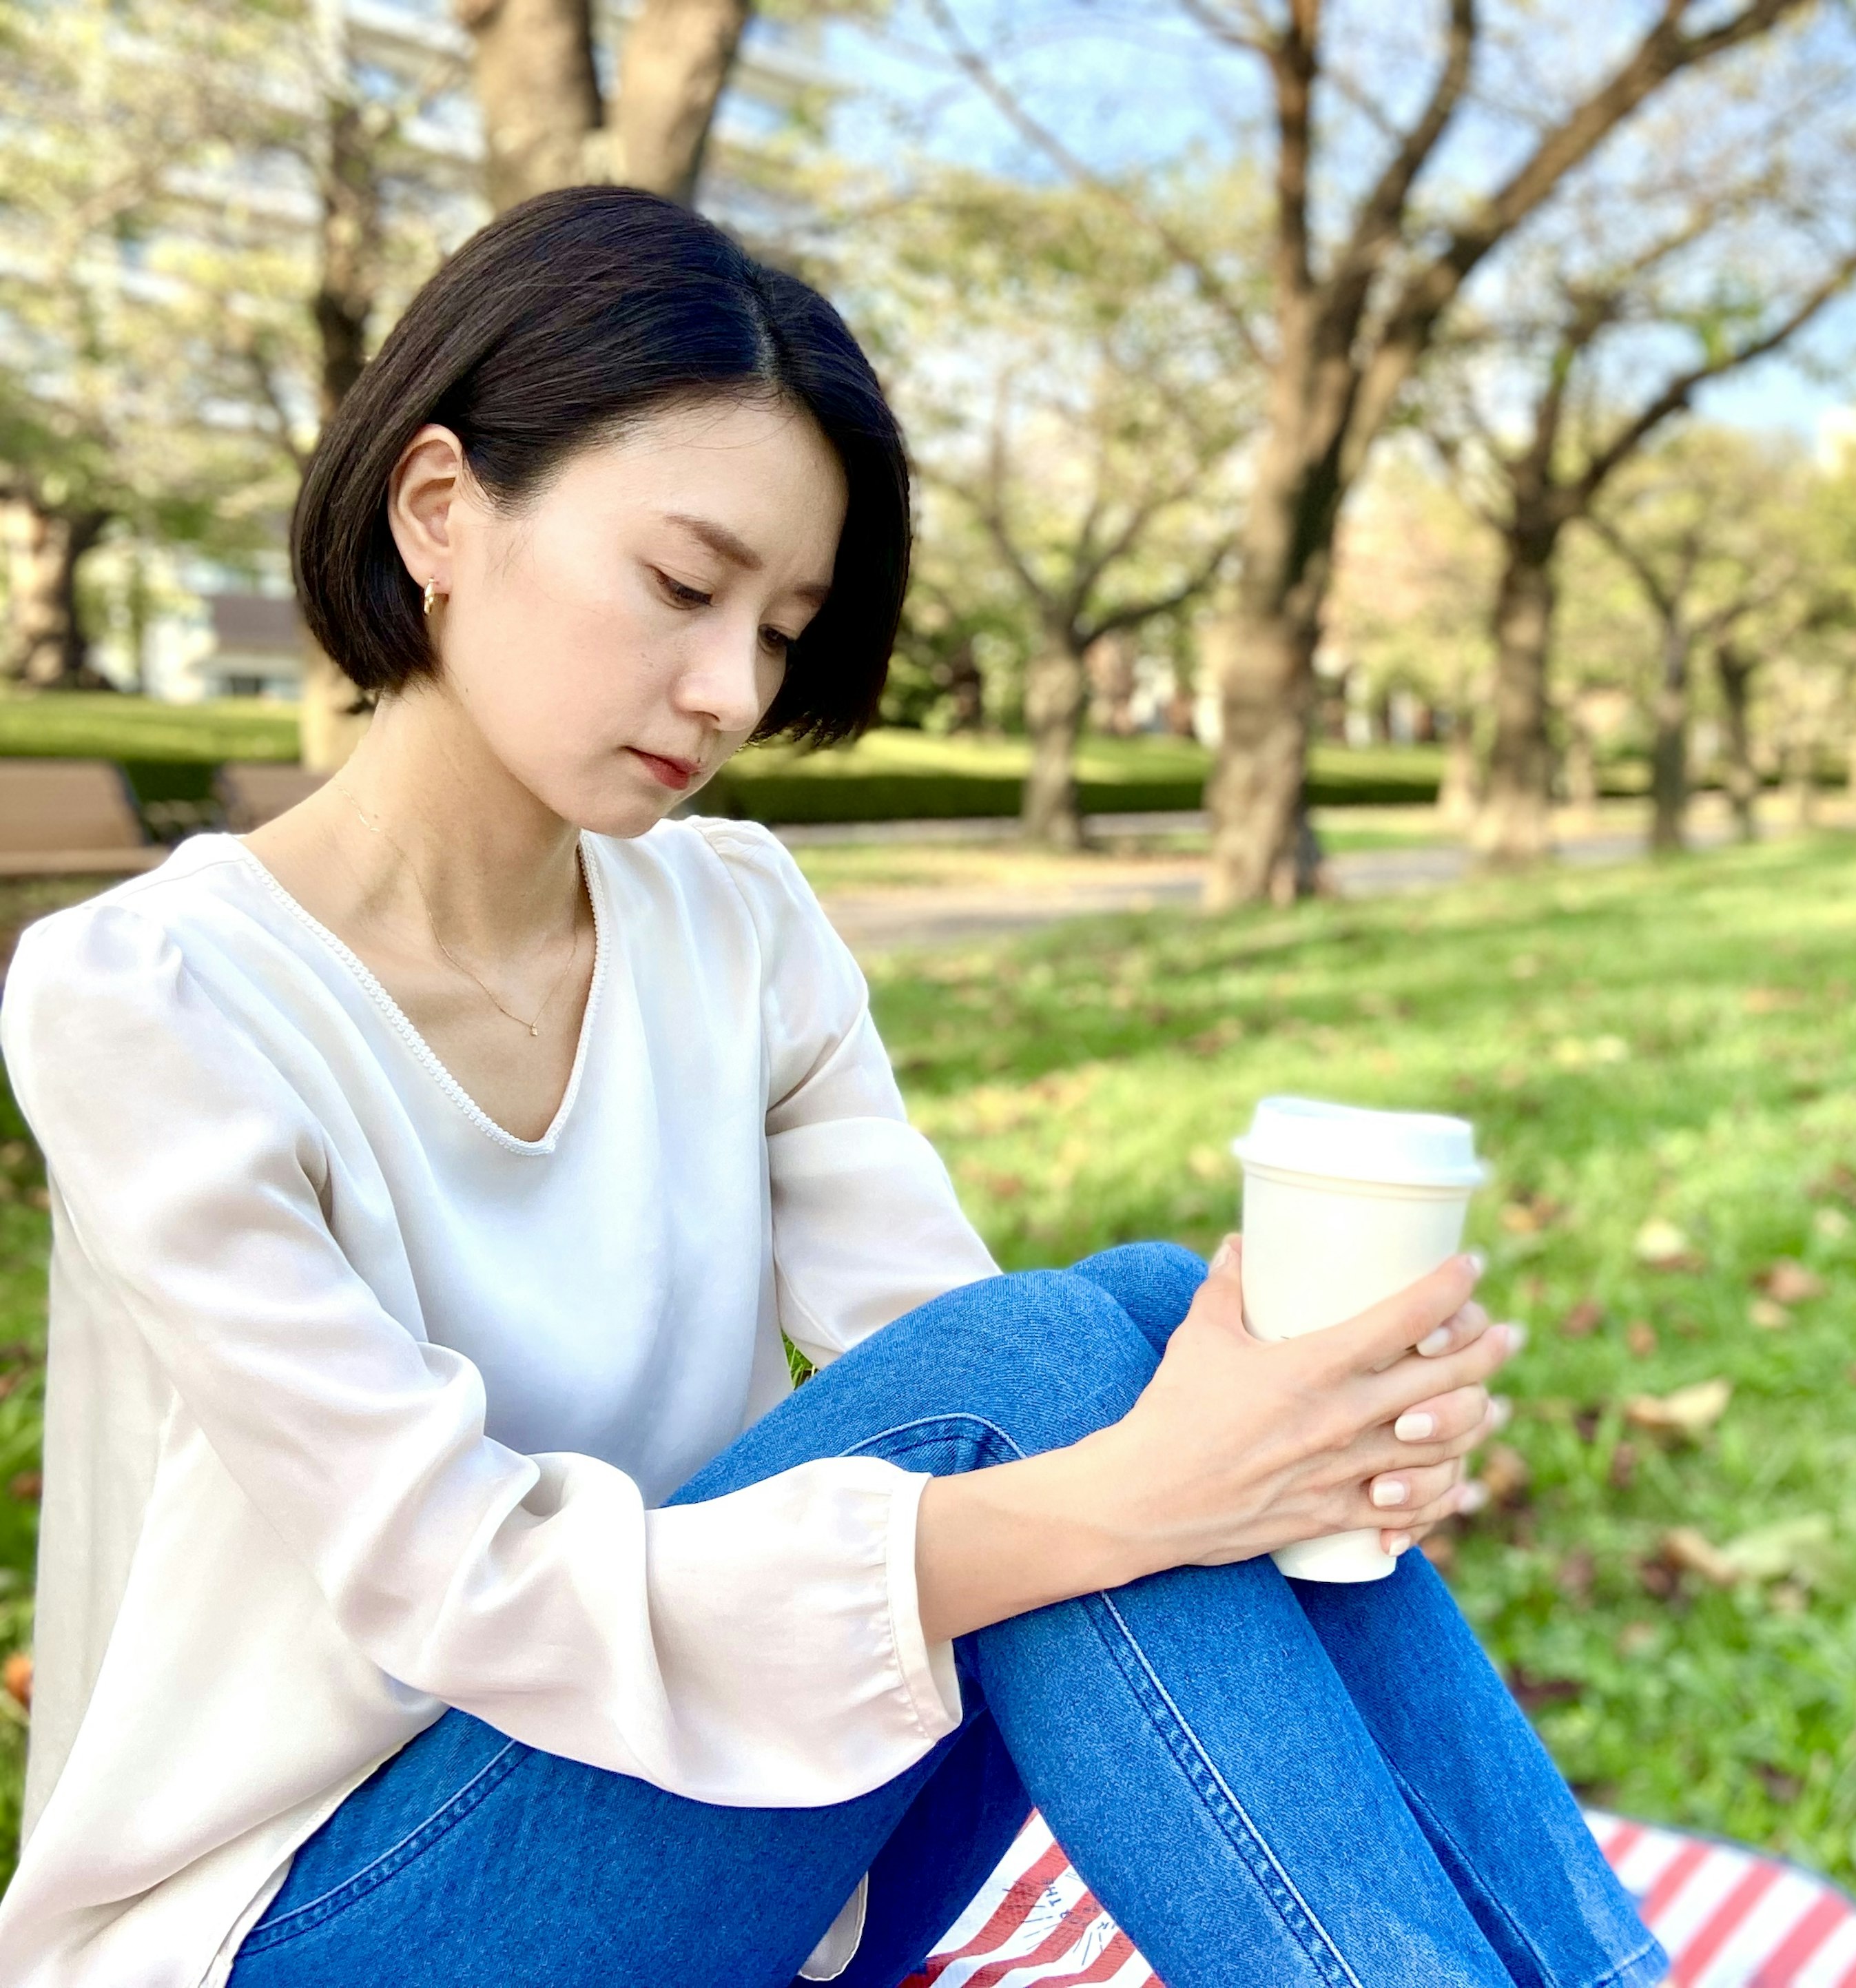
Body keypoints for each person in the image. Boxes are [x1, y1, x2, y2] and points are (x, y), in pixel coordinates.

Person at [0, 187, 1663, 1988]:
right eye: (683, 585)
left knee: (1153, 1319)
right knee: (1079, 1395)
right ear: (439, 509)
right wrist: (1156, 1493)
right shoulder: (150, 995)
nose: (730, 688)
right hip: (311, 1918)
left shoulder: (734, 920)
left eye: (782, 627)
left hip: (724, 1845)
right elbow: (457, 1584)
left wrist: (1304, 1445)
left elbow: (958, 1345)